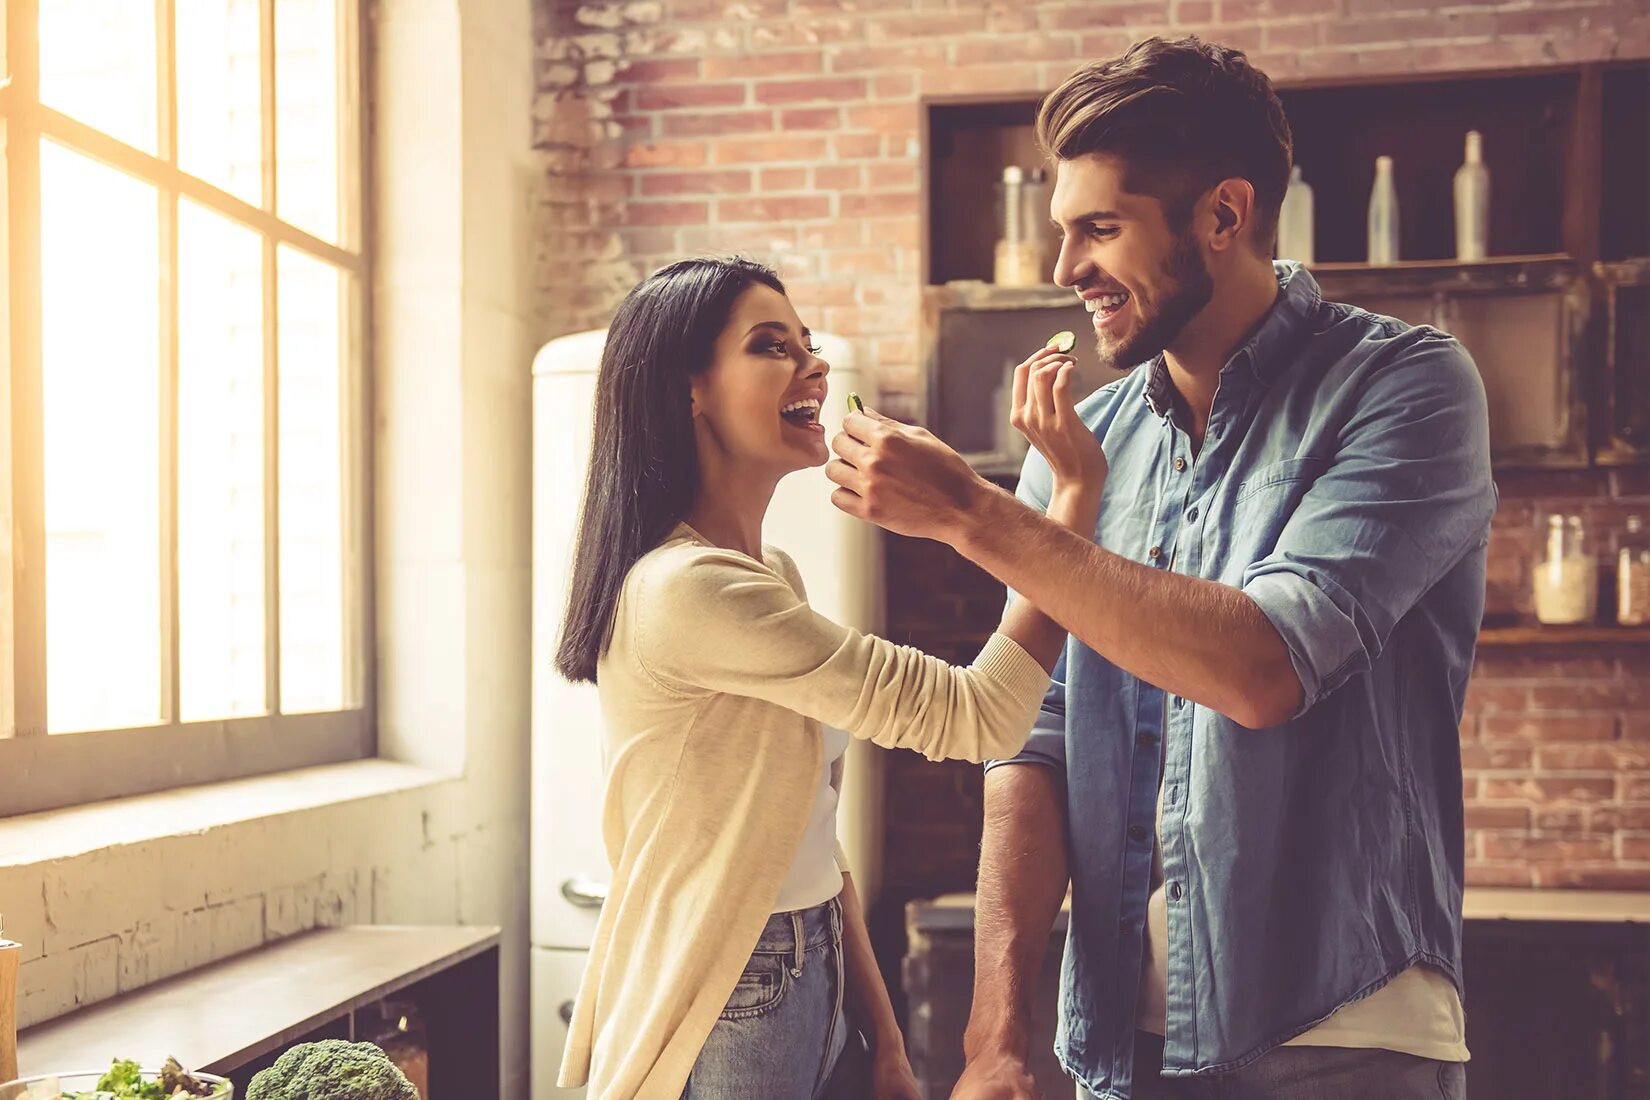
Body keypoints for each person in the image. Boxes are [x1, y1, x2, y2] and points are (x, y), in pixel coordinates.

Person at [826, 37, 1497, 1100]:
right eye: (1063, 230)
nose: (1064, 270)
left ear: (1223, 216)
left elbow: (1264, 663)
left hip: (1343, 1026)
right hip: (1119, 1045)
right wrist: (995, 1031)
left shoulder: (1407, 387)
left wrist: (971, 512)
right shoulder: (1083, 449)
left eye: (1099, 227)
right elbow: (1030, 746)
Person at [553, 257, 1105, 1100]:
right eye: (772, 346)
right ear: (688, 389)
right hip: (729, 990)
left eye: (807, 343)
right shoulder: (691, 590)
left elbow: (809, 833)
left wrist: (883, 1039)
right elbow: (981, 716)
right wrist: (1064, 498)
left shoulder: (765, 571)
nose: (812, 365)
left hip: (804, 966)